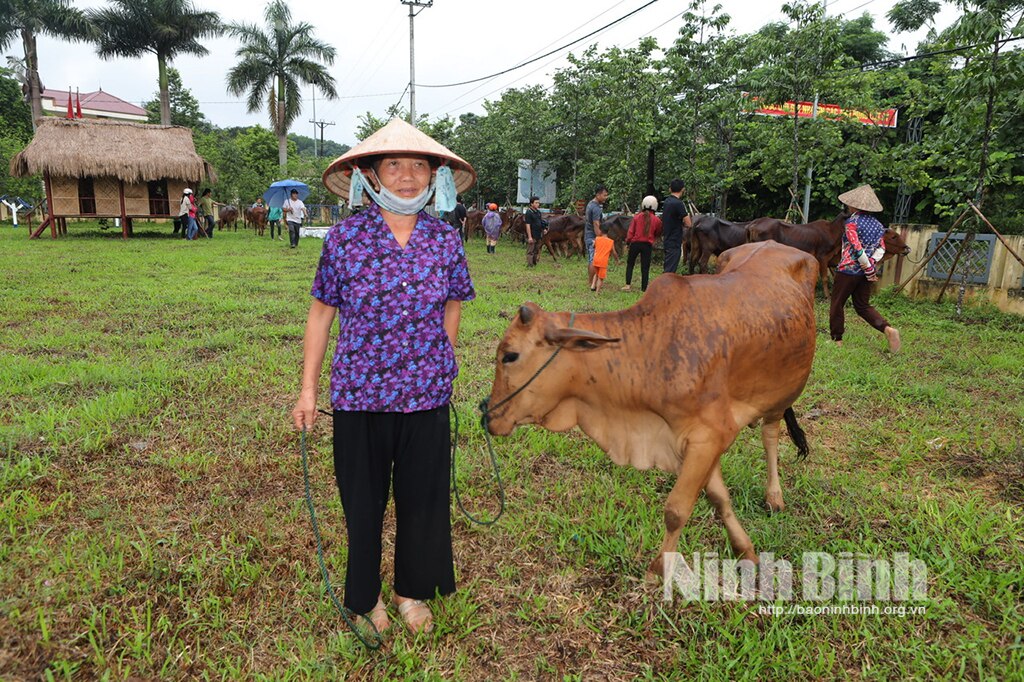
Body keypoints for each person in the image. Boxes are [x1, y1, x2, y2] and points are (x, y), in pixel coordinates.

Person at [292, 117, 477, 636]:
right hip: (359, 395)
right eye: (393, 164)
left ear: (434, 175)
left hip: (425, 396)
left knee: (423, 499)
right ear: (370, 175)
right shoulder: (344, 238)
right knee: (364, 504)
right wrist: (308, 390)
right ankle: (365, 597)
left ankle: (411, 590)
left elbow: (453, 306)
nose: (407, 175)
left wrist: (442, 361)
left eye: (418, 165)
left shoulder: (445, 239)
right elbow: (321, 313)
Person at [830, 184, 902, 353]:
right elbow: (881, 249)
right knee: (863, 306)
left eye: (850, 204)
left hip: (848, 270)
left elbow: (856, 247)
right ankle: (888, 330)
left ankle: (837, 340)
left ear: (855, 206)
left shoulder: (851, 223)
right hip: (865, 273)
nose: (848, 206)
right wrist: (870, 266)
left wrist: (866, 266)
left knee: (837, 303)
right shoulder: (878, 225)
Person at [621, 195, 662, 292]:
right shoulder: (657, 220)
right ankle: (644, 288)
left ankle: (627, 285)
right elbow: (658, 233)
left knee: (630, 264)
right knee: (645, 267)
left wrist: (628, 242)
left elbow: (631, 232)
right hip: (647, 245)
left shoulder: (636, 217)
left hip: (635, 244)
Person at [662, 179, 691, 273]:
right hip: (675, 239)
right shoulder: (679, 204)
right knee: (670, 269)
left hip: (667, 238)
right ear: (683, 189)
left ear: (670, 189)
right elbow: (688, 223)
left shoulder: (667, 202)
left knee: (668, 265)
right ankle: (665, 287)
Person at [585, 184, 608, 282]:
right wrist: (600, 237)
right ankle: (591, 282)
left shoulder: (590, 203)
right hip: (593, 236)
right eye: (604, 195)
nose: (605, 197)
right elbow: (596, 223)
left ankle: (591, 281)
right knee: (593, 260)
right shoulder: (596, 208)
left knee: (592, 258)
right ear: (598, 195)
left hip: (587, 234)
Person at [524, 195, 547, 267]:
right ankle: (530, 264)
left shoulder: (538, 212)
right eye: (536, 203)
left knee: (537, 249)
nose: (538, 204)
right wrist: (530, 236)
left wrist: (544, 229)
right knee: (531, 250)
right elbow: (528, 225)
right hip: (532, 234)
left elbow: (540, 222)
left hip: (538, 234)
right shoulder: (529, 212)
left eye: (538, 203)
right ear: (531, 204)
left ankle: (534, 262)